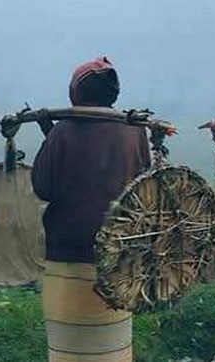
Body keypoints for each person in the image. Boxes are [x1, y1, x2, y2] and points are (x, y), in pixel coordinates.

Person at [31, 57, 150, 362]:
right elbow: (140, 181)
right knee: (111, 345)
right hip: (120, 254)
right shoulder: (135, 131)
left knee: (72, 346)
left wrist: (51, 138)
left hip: (70, 253)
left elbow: (44, 187)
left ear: (76, 93)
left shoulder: (64, 132)